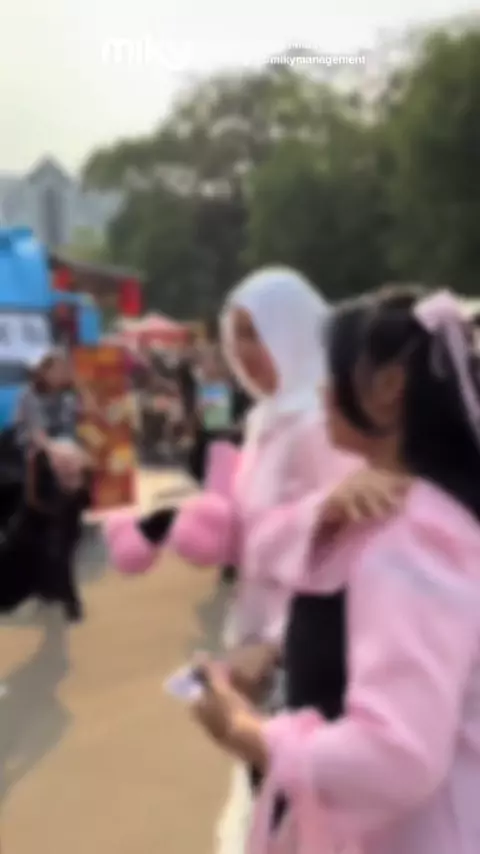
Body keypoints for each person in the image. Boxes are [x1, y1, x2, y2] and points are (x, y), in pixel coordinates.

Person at [192, 286, 480, 854]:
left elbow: (396, 756)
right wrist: (280, 653)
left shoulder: (410, 540)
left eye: (333, 371)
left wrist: (250, 734)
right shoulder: (406, 513)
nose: (322, 390)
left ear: (389, 387)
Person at [15, 351, 94, 621]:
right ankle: (68, 596)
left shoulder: (68, 397)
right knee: (54, 534)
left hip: (70, 467)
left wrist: (82, 388)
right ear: (44, 371)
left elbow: (90, 414)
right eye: (57, 369)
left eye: (65, 369)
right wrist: (58, 455)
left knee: (69, 534)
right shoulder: (29, 396)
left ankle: (51, 588)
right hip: (42, 468)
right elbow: (37, 435)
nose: (63, 374)